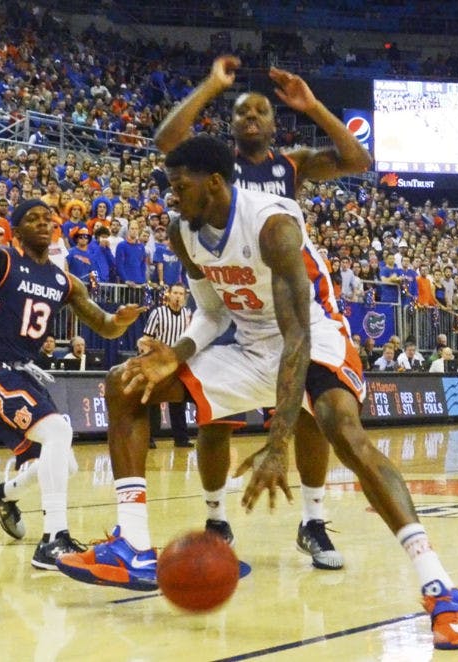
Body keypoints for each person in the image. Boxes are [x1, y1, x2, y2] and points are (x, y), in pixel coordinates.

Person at [56, 137, 458, 650]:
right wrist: (178, 352)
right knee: (124, 384)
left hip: (314, 336)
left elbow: (297, 336)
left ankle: (440, 588)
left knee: (342, 430)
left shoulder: (273, 226)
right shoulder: (182, 232)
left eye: (179, 185)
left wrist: (279, 444)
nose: (171, 196)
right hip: (250, 344)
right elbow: (212, 313)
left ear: (215, 182)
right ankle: (132, 545)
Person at [152, 55, 373, 569]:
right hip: (233, 298)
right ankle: (215, 517)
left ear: (275, 124)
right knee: (213, 416)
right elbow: (167, 142)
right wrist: (210, 85)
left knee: (312, 415)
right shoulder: (214, 169)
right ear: (230, 127)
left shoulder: (291, 163)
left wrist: (312, 105)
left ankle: (313, 520)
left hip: (282, 295)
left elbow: (358, 161)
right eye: (242, 113)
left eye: (261, 112)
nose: (251, 118)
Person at [0, 199, 144, 570]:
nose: (42, 223)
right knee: (57, 432)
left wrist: (121, 321)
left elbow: (103, 324)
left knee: (63, 463)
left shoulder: (64, 279)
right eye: (31, 219)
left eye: (47, 218)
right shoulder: (0, 261)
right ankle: (54, 538)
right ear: (16, 231)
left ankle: (2, 493)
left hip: (26, 371)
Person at [142, 283, 193, 449]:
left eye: (181, 294)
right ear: (169, 295)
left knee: (178, 401)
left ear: (185, 297)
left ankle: (181, 438)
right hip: (158, 362)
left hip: (178, 362)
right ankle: (149, 437)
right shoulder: (158, 313)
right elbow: (146, 338)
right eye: (175, 293)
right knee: (153, 402)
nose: (178, 296)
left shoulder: (188, 314)